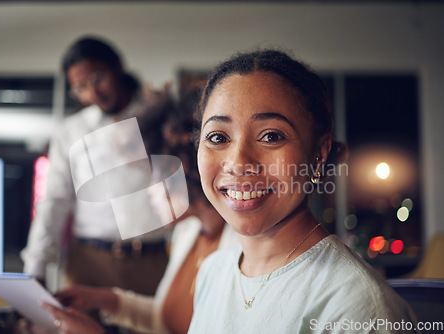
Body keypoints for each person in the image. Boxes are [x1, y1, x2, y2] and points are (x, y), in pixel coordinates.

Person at [187, 49, 418, 333]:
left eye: (271, 136)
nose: (238, 162)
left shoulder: (358, 306)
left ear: (318, 153)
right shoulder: (214, 272)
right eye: (218, 137)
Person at [41, 98, 240, 334]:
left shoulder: (239, 249)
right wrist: (105, 299)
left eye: (150, 177)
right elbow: (167, 320)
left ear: (182, 169)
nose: (148, 192)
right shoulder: (188, 234)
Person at [21, 36, 169, 296]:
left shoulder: (159, 118)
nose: (93, 93)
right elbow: (54, 200)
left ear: (117, 67)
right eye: (80, 87)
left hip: (152, 260)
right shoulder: (70, 131)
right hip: (89, 263)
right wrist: (36, 266)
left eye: (98, 78)